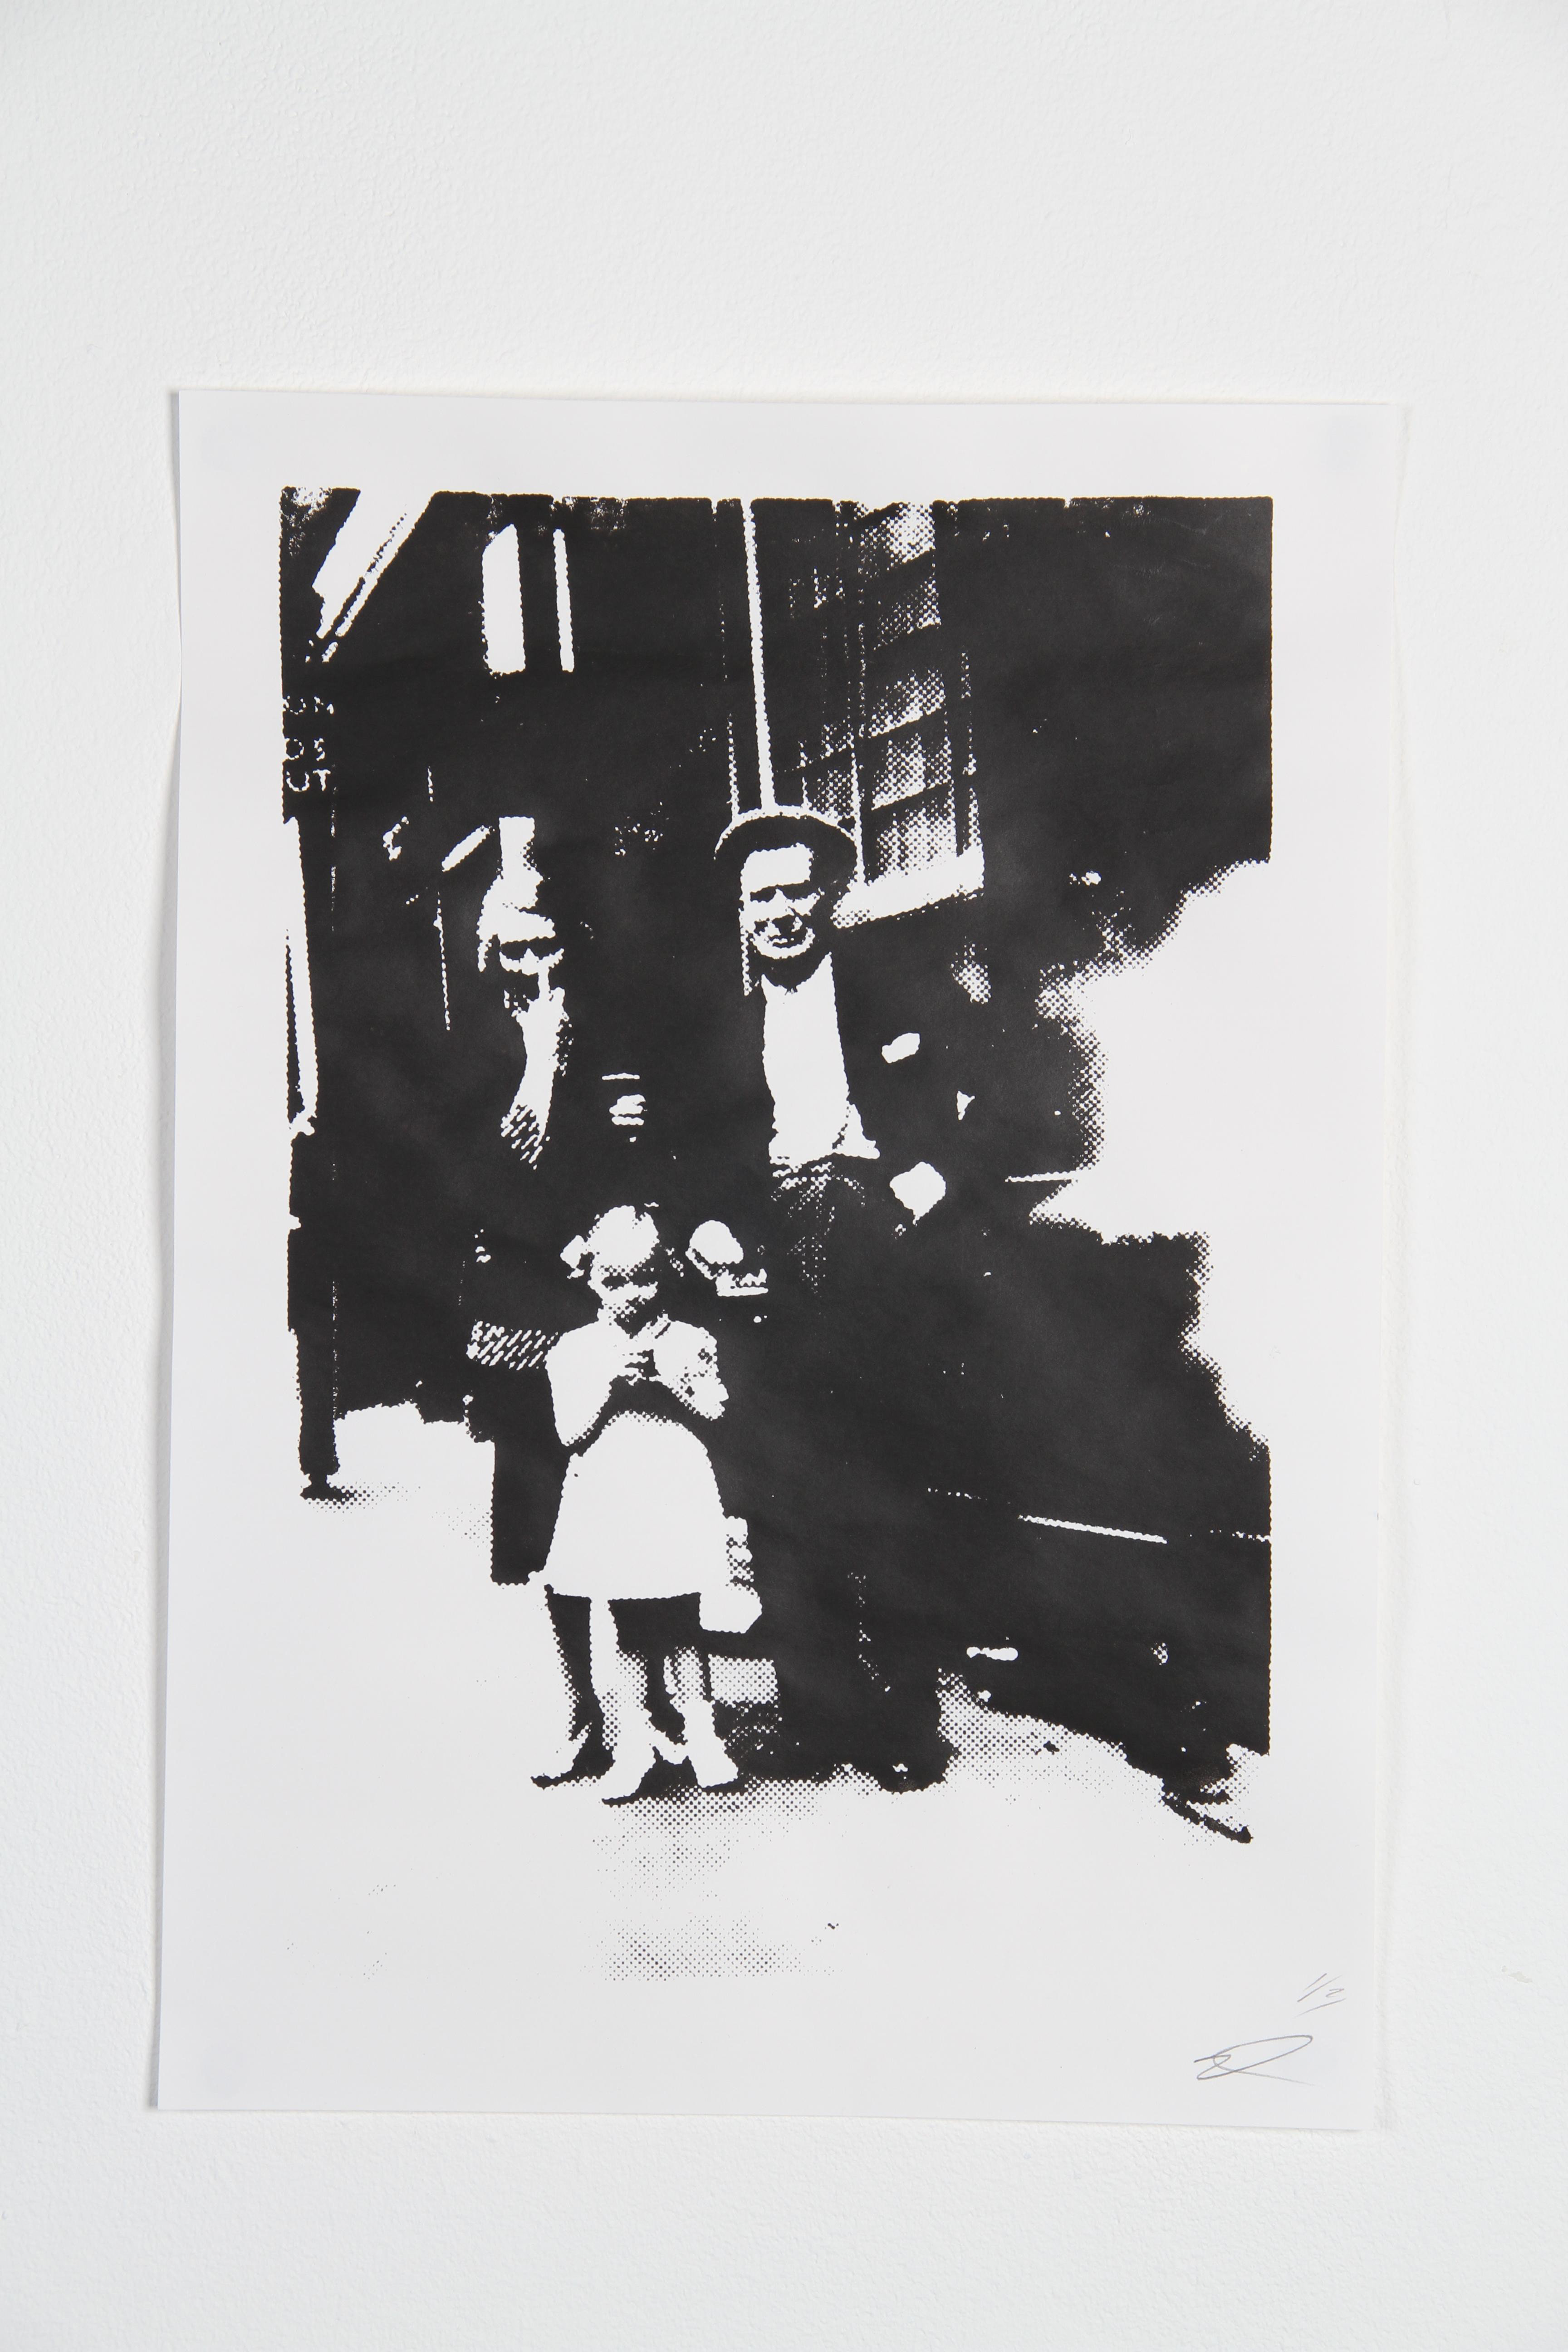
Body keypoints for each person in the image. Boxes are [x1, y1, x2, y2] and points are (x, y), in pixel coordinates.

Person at [677, 807, 970, 1790]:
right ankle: (814, 1716)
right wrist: (704, 1224)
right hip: (766, 1259)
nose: (779, 912)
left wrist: (932, 1179)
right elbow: (691, 1155)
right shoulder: (719, 1027)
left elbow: (1002, 1088)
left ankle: (904, 1725)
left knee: (886, 1484)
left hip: (879, 1248)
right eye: (759, 896)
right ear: (739, 910)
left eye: (796, 890)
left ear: (831, 895)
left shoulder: (899, 992)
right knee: (784, 1492)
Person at [458, 817, 646, 1785]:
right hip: (523, 1311)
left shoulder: (606, 1029)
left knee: (626, 1498)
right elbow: (490, 1175)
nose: (532, 964)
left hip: (603, 1296)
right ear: (489, 955)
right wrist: (536, 1060)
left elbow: (631, 1149)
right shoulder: (472, 1048)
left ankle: (650, 1710)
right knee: (547, 1520)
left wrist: (615, 1219)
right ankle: (582, 1712)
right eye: (514, 949)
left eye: (547, 945)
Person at [540, 1207, 742, 1804]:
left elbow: (717, 1413)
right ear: (592, 1279)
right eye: (615, 1280)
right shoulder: (576, 1350)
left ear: (664, 1275)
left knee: (683, 1618)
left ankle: (702, 1734)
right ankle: (634, 1743)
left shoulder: (690, 1341)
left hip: (672, 1487)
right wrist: (610, 1389)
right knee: (628, 1625)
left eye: (644, 1279)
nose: (631, 1294)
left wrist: (668, 1385)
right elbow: (570, 1434)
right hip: (612, 1492)